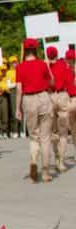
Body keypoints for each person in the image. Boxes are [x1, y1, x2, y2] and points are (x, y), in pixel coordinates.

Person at [16, 38, 54, 183]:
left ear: (24, 51)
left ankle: (33, 160)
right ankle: (45, 172)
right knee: (45, 138)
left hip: (29, 99)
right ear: (36, 50)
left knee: (34, 136)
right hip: (43, 97)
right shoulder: (42, 64)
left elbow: (19, 89)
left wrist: (17, 108)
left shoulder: (20, 67)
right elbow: (51, 82)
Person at [47, 46, 72, 174]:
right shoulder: (64, 65)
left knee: (53, 131)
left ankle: (57, 157)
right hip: (62, 95)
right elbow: (69, 82)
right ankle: (61, 161)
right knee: (63, 133)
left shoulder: (45, 67)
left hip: (50, 96)